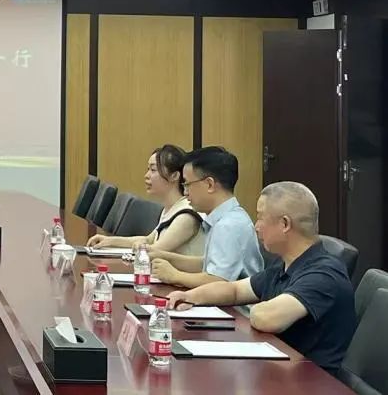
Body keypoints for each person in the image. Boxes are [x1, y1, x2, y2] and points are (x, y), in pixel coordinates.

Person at [167, 182, 355, 375]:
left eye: (260, 218)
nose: (256, 227)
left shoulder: (324, 274)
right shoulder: (285, 265)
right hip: (281, 370)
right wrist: (191, 296)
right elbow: (235, 290)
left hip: (310, 381)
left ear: (284, 224)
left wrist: (253, 309)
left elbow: (267, 318)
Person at [149, 146, 263, 288]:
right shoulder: (223, 218)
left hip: (232, 302)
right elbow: (207, 265)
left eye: (187, 184)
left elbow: (218, 282)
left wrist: (175, 276)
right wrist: (164, 257)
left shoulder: (229, 225)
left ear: (209, 184)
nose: (185, 192)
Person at [86, 145, 205, 256]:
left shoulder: (186, 215)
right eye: (148, 169)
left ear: (174, 176)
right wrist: (109, 241)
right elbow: (149, 239)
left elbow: (154, 250)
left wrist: (141, 247)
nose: (146, 175)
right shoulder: (171, 209)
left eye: (153, 170)